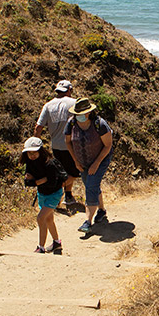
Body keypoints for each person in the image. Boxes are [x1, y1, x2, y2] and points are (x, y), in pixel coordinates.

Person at [65, 98, 113, 235]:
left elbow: (108, 145)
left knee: (91, 186)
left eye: (82, 113)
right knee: (91, 185)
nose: (79, 116)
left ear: (88, 113)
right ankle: (102, 211)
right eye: (77, 113)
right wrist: (75, 160)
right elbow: (68, 142)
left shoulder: (100, 124)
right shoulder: (71, 123)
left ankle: (88, 221)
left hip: (100, 160)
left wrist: (97, 163)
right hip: (82, 162)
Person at [33, 80, 80, 208]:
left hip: (56, 146)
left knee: (62, 171)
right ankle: (55, 190)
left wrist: (35, 147)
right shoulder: (74, 103)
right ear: (69, 89)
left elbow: (38, 127)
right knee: (76, 173)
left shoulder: (48, 105)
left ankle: (68, 195)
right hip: (71, 145)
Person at [20, 137, 66, 254]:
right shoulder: (30, 164)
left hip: (54, 194)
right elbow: (27, 182)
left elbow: (52, 183)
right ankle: (56, 242)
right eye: (29, 153)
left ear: (40, 150)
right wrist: (41, 180)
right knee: (49, 219)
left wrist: (35, 180)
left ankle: (41, 247)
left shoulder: (50, 164)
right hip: (42, 194)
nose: (32, 155)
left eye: (34, 152)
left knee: (41, 218)